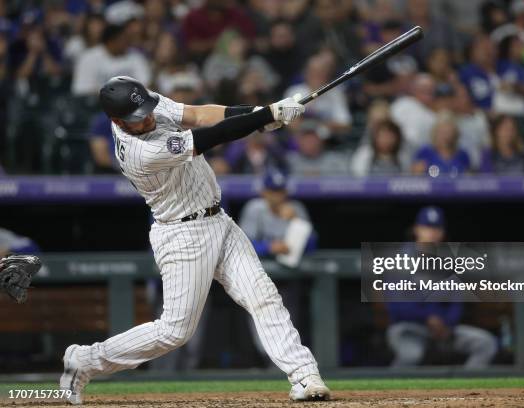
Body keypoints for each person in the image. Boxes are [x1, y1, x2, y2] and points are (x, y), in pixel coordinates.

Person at [59, 76, 330, 404]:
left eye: (145, 110)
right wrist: (265, 115)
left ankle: (304, 374)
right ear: (116, 121)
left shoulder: (147, 103)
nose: (146, 118)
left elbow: (201, 114)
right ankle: (85, 360)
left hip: (219, 219)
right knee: (174, 331)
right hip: (182, 234)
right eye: (136, 117)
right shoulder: (140, 152)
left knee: (263, 296)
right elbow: (210, 135)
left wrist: (261, 114)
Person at [386, 206, 498, 368]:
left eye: (436, 228)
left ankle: (466, 391)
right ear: (416, 229)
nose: (432, 233)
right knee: (411, 354)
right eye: (427, 227)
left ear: (442, 233)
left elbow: (456, 302)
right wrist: (428, 317)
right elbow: (396, 305)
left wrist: (447, 324)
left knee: (485, 343)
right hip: (409, 328)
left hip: (445, 330)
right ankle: (390, 392)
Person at [71, 23, 151, 96]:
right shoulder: (88, 57)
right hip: (96, 107)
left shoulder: (136, 57)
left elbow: (146, 86)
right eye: (123, 39)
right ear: (111, 41)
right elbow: (81, 90)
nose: (128, 42)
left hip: (131, 106)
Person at [411, 112, 471, 177]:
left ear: (455, 134)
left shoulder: (462, 155)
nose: (445, 136)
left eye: (448, 132)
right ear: (435, 133)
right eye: (442, 132)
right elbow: (416, 176)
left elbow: (468, 179)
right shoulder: (424, 152)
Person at [390, 73, 437, 149]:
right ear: (414, 89)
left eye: (430, 90)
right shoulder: (402, 104)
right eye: (424, 89)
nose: (427, 93)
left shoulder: (433, 116)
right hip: (397, 149)